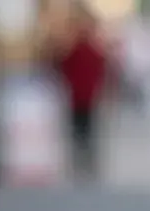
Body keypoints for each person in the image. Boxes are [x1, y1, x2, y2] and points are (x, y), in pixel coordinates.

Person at [58, 12, 106, 178]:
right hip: (83, 97)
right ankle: (85, 160)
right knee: (85, 129)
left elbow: (63, 67)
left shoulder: (84, 50)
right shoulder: (89, 50)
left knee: (82, 129)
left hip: (83, 97)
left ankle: (83, 160)